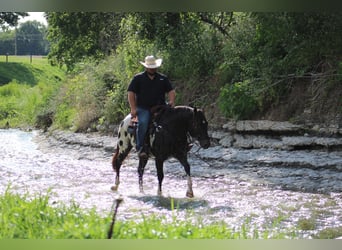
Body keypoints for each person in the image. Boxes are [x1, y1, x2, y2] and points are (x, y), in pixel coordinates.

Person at [127, 55, 176, 158]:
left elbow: (171, 91)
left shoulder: (163, 78)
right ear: (146, 67)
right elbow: (131, 93)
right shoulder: (138, 78)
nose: (153, 68)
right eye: (151, 67)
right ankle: (141, 148)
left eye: (154, 67)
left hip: (160, 107)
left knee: (174, 120)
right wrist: (133, 108)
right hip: (143, 107)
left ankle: (179, 145)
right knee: (143, 122)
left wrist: (171, 101)